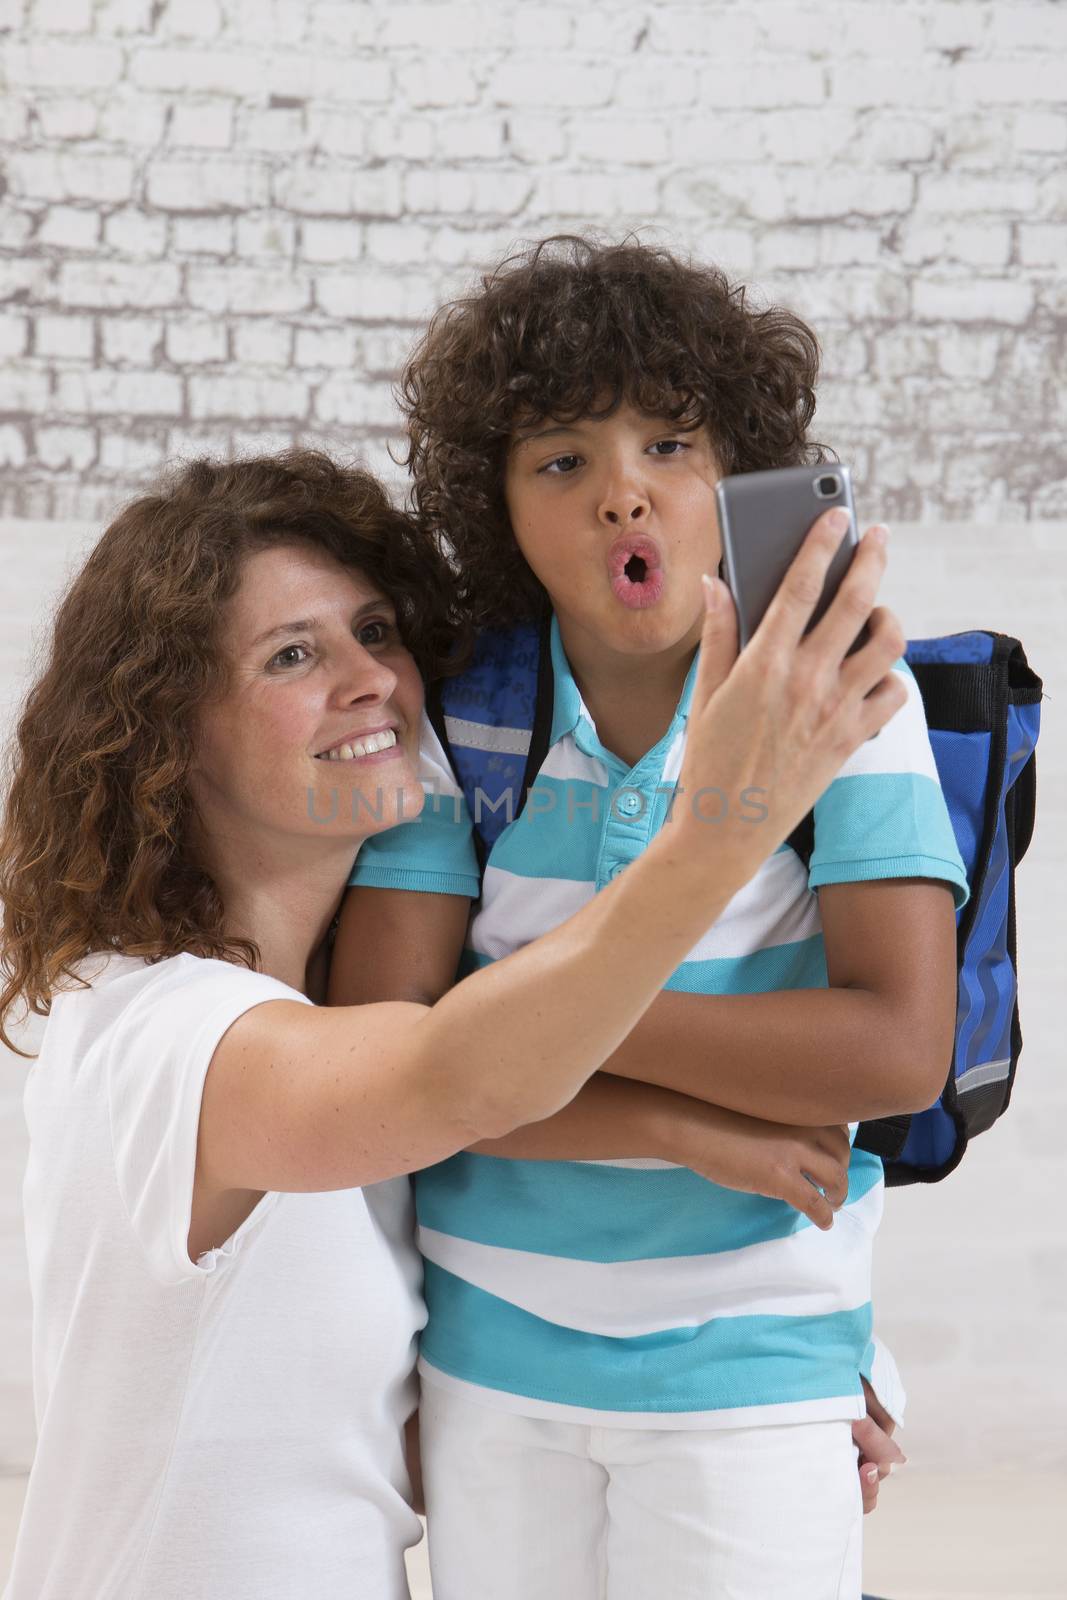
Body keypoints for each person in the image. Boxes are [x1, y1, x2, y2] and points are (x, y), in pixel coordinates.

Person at [0, 448, 906, 1600]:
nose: (368, 677)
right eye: (292, 655)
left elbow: (377, 1455)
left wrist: (776, 1403)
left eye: (375, 631)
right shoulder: (161, 1032)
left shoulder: (319, 1029)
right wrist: (722, 822)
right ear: (166, 735)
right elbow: (462, 1075)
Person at [330, 239, 970, 1600]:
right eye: (558, 461)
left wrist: (520, 1033)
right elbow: (386, 1068)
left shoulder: (843, 701)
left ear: (736, 474)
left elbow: (895, 1050)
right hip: (486, 1355)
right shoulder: (458, 714)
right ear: (494, 509)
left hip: (756, 1352)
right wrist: (685, 1123)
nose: (621, 489)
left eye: (669, 444)